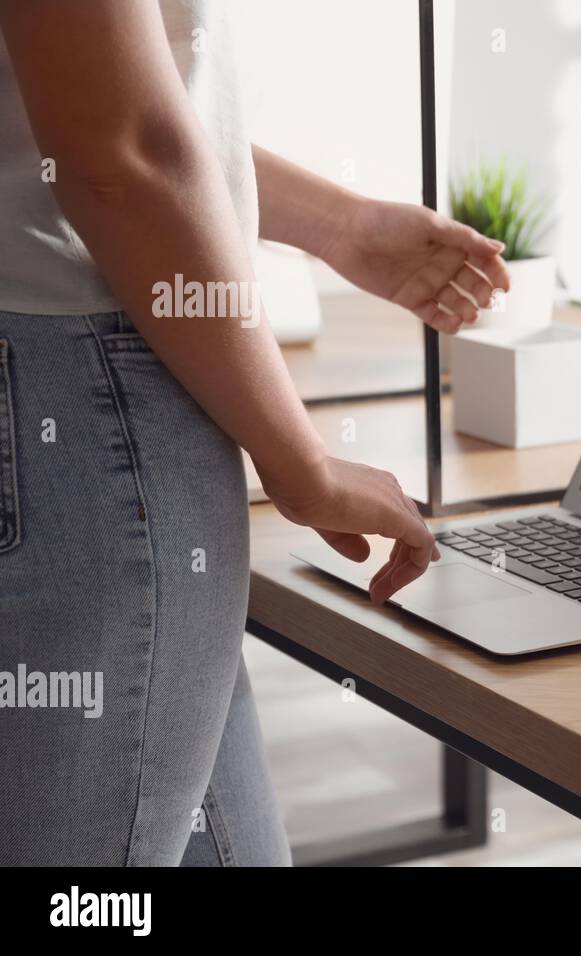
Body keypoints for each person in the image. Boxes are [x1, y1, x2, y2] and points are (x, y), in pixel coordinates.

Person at [0, 0, 508, 865]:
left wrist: (341, 228)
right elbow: (118, 151)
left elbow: (98, 111)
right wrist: (300, 462)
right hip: (88, 392)